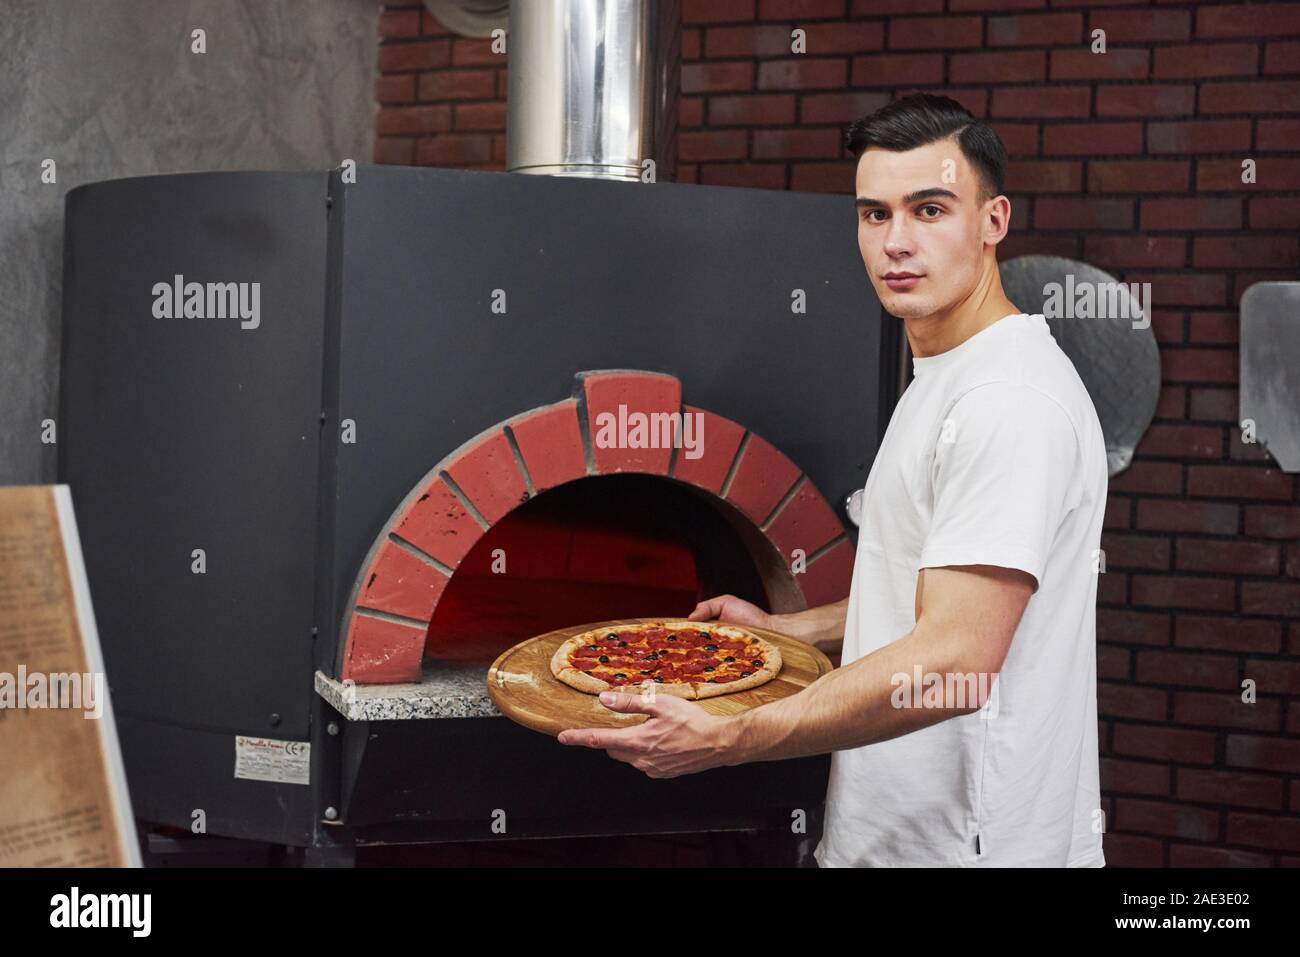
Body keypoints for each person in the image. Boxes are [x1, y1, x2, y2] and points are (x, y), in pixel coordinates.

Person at [558, 93, 1108, 868]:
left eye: (929, 209)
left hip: (967, 851)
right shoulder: (948, 376)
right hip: (887, 840)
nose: (897, 243)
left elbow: (955, 662)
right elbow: (927, 592)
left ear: (994, 221)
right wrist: (792, 632)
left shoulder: (1007, 400)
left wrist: (732, 737)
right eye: (875, 215)